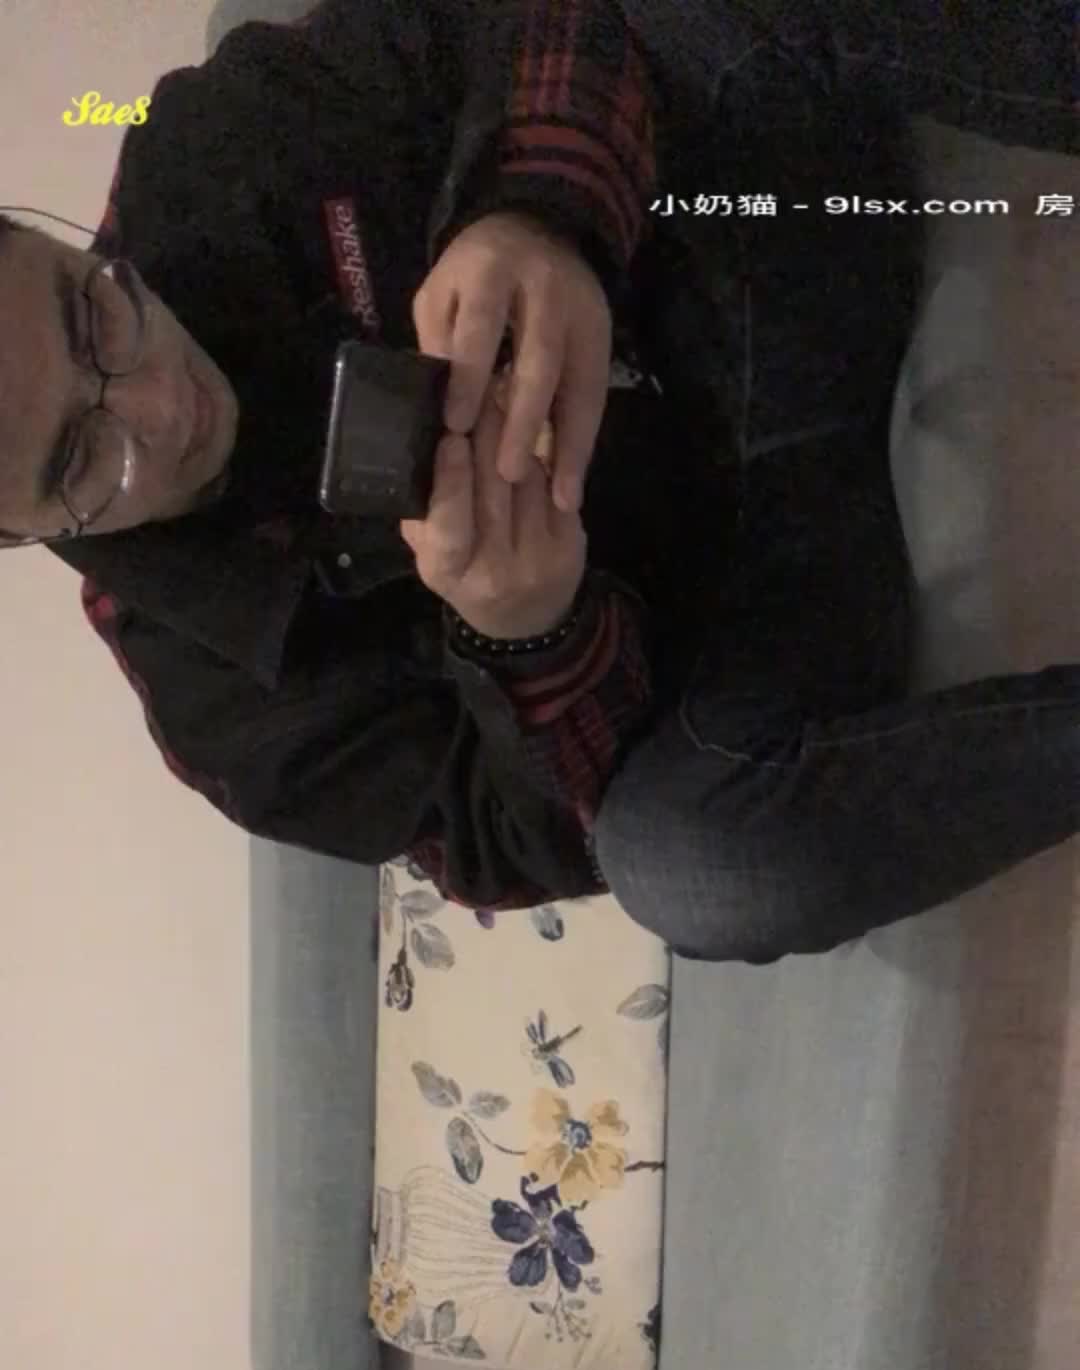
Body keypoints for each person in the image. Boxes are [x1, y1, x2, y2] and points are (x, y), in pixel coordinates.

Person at [1, 0, 1077, 961]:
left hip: (759, 255)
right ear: (19, 533)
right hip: (751, 617)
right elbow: (548, 842)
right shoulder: (218, 714)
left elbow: (523, 23)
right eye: (81, 459)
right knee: (687, 869)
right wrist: (529, 637)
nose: (160, 404)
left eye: (91, 315)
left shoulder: (207, 143)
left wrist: (535, 212)